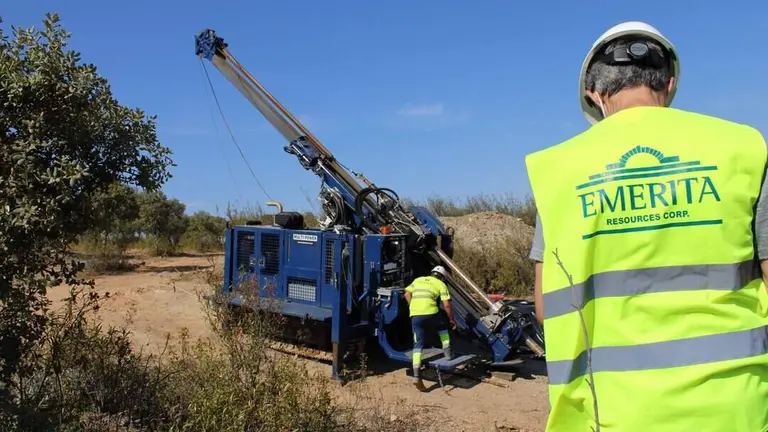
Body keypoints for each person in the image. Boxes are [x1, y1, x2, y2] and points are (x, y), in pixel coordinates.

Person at [525, 21, 768, 431]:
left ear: (594, 95)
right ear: (669, 84)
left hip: (604, 413)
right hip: (734, 409)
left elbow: (548, 308)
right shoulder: (741, 148)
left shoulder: (558, 173)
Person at [404, 265, 457, 392]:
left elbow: (406, 294)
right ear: (442, 277)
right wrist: (451, 319)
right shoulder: (440, 284)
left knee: (417, 345)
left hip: (415, 315)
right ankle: (448, 354)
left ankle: (417, 375)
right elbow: (446, 305)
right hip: (431, 313)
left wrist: (413, 306)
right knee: (442, 326)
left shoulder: (418, 280)